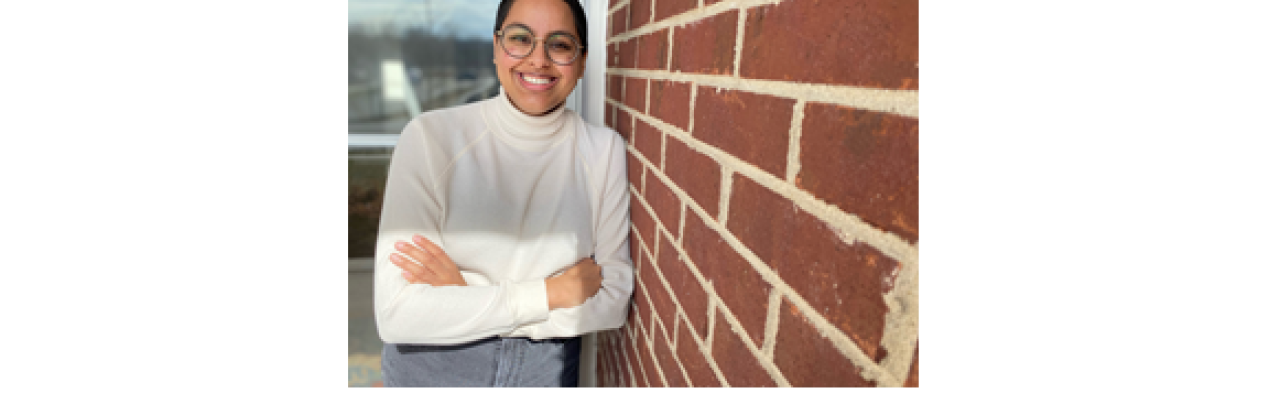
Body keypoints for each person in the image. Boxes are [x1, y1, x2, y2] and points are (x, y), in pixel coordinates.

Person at [374, 0, 634, 387]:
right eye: (520, 39)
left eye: (560, 45)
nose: (538, 59)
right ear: (496, 48)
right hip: (433, 367)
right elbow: (397, 314)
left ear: (581, 62)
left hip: (545, 370)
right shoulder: (431, 139)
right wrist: (550, 292)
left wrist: (462, 293)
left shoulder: (602, 151)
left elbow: (612, 303)